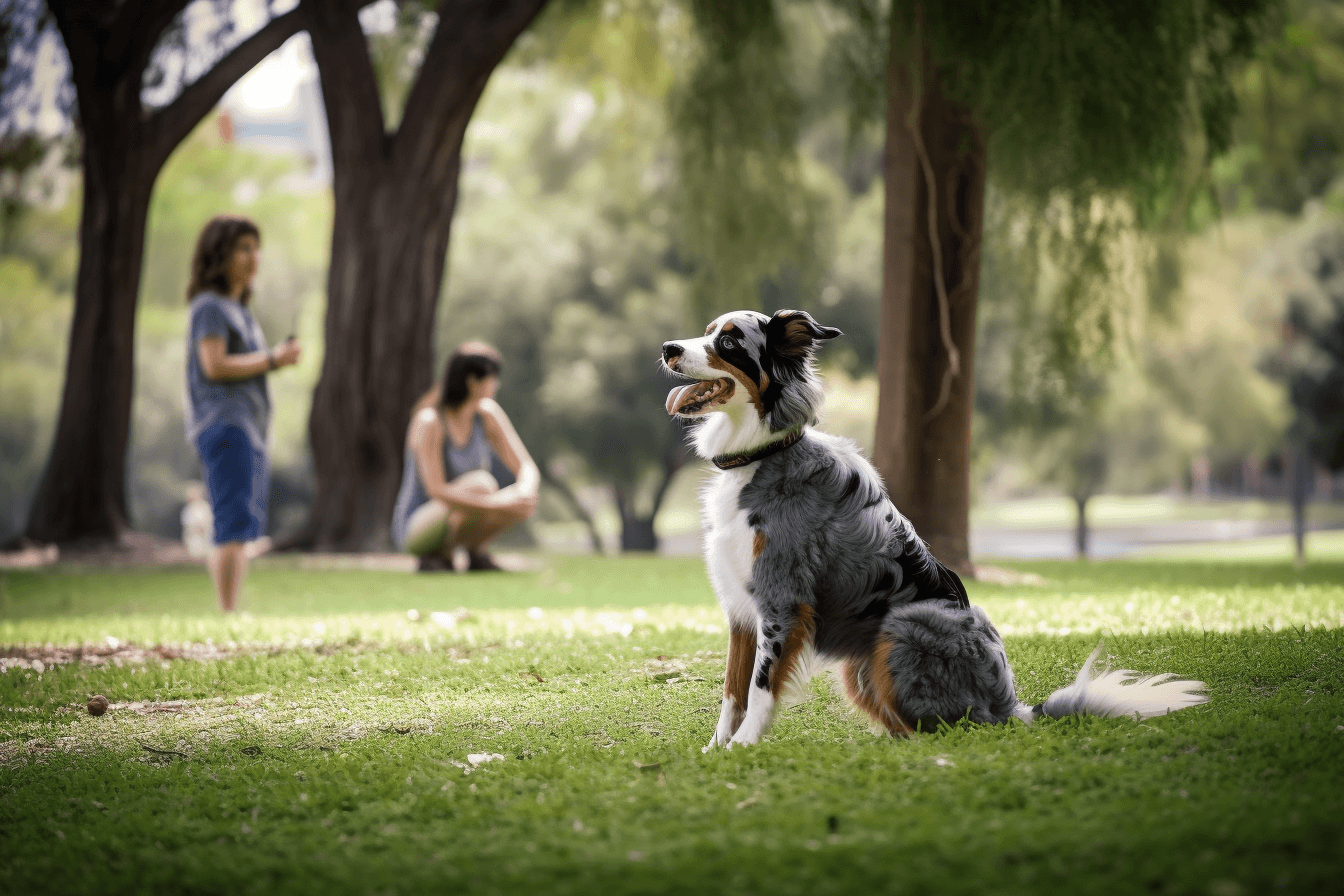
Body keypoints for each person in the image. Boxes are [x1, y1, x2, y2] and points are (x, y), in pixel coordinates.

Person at [183, 215, 301, 611]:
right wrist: (272, 359)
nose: (254, 257)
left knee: (242, 522)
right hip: (225, 424)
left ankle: (230, 609)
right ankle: (227, 613)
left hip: (247, 427)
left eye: (256, 248)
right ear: (220, 255)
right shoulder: (210, 307)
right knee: (232, 523)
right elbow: (214, 365)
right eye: (243, 248)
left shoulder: (238, 310)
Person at [391, 342, 539, 571]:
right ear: (472, 380)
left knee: (520, 499)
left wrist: (524, 493)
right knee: (482, 484)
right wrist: (494, 505)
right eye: (493, 378)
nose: (496, 385)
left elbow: (525, 466)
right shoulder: (431, 421)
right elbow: (436, 490)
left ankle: (476, 553)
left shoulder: (486, 414)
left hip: (464, 510)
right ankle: (439, 555)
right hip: (419, 526)